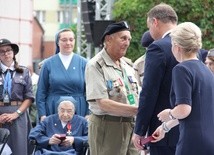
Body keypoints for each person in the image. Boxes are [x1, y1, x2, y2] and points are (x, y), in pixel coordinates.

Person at [151, 22, 214, 155]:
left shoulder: (181, 69)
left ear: (177, 47)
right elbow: (196, 110)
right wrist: (165, 127)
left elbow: (184, 109)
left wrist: (168, 113)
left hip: (192, 142)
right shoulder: (206, 70)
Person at [85, 21, 140, 155]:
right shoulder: (96, 65)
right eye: (123, 38)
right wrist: (137, 110)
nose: (127, 43)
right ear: (108, 39)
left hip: (130, 126)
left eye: (128, 39)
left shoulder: (127, 64)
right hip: (108, 126)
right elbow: (103, 103)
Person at [132, 3, 179, 155]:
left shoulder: (157, 47)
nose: (150, 32)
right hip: (187, 127)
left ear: (155, 22)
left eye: (149, 26)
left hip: (162, 130)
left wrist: (139, 130)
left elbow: (149, 91)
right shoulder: (192, 48)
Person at [36, 28, 88, 122]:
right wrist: (42, 114)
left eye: (71, 40)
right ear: (57, 42)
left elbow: (90, 92)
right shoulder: (48, 64)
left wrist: (89, 113)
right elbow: (41, 92)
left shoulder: (84, 63)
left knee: (76, 136)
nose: (68, 43)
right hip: (53, 109)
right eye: (64, 40)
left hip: (79, 110)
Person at [0, 38, 34, 155]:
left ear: (13, 52)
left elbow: (29, 97)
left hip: (18, 114)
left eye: (8, 50)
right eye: (2, 51)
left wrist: (16, 114)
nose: (6, 54)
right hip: (0, 114)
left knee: (19, 149)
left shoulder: (23, 72)